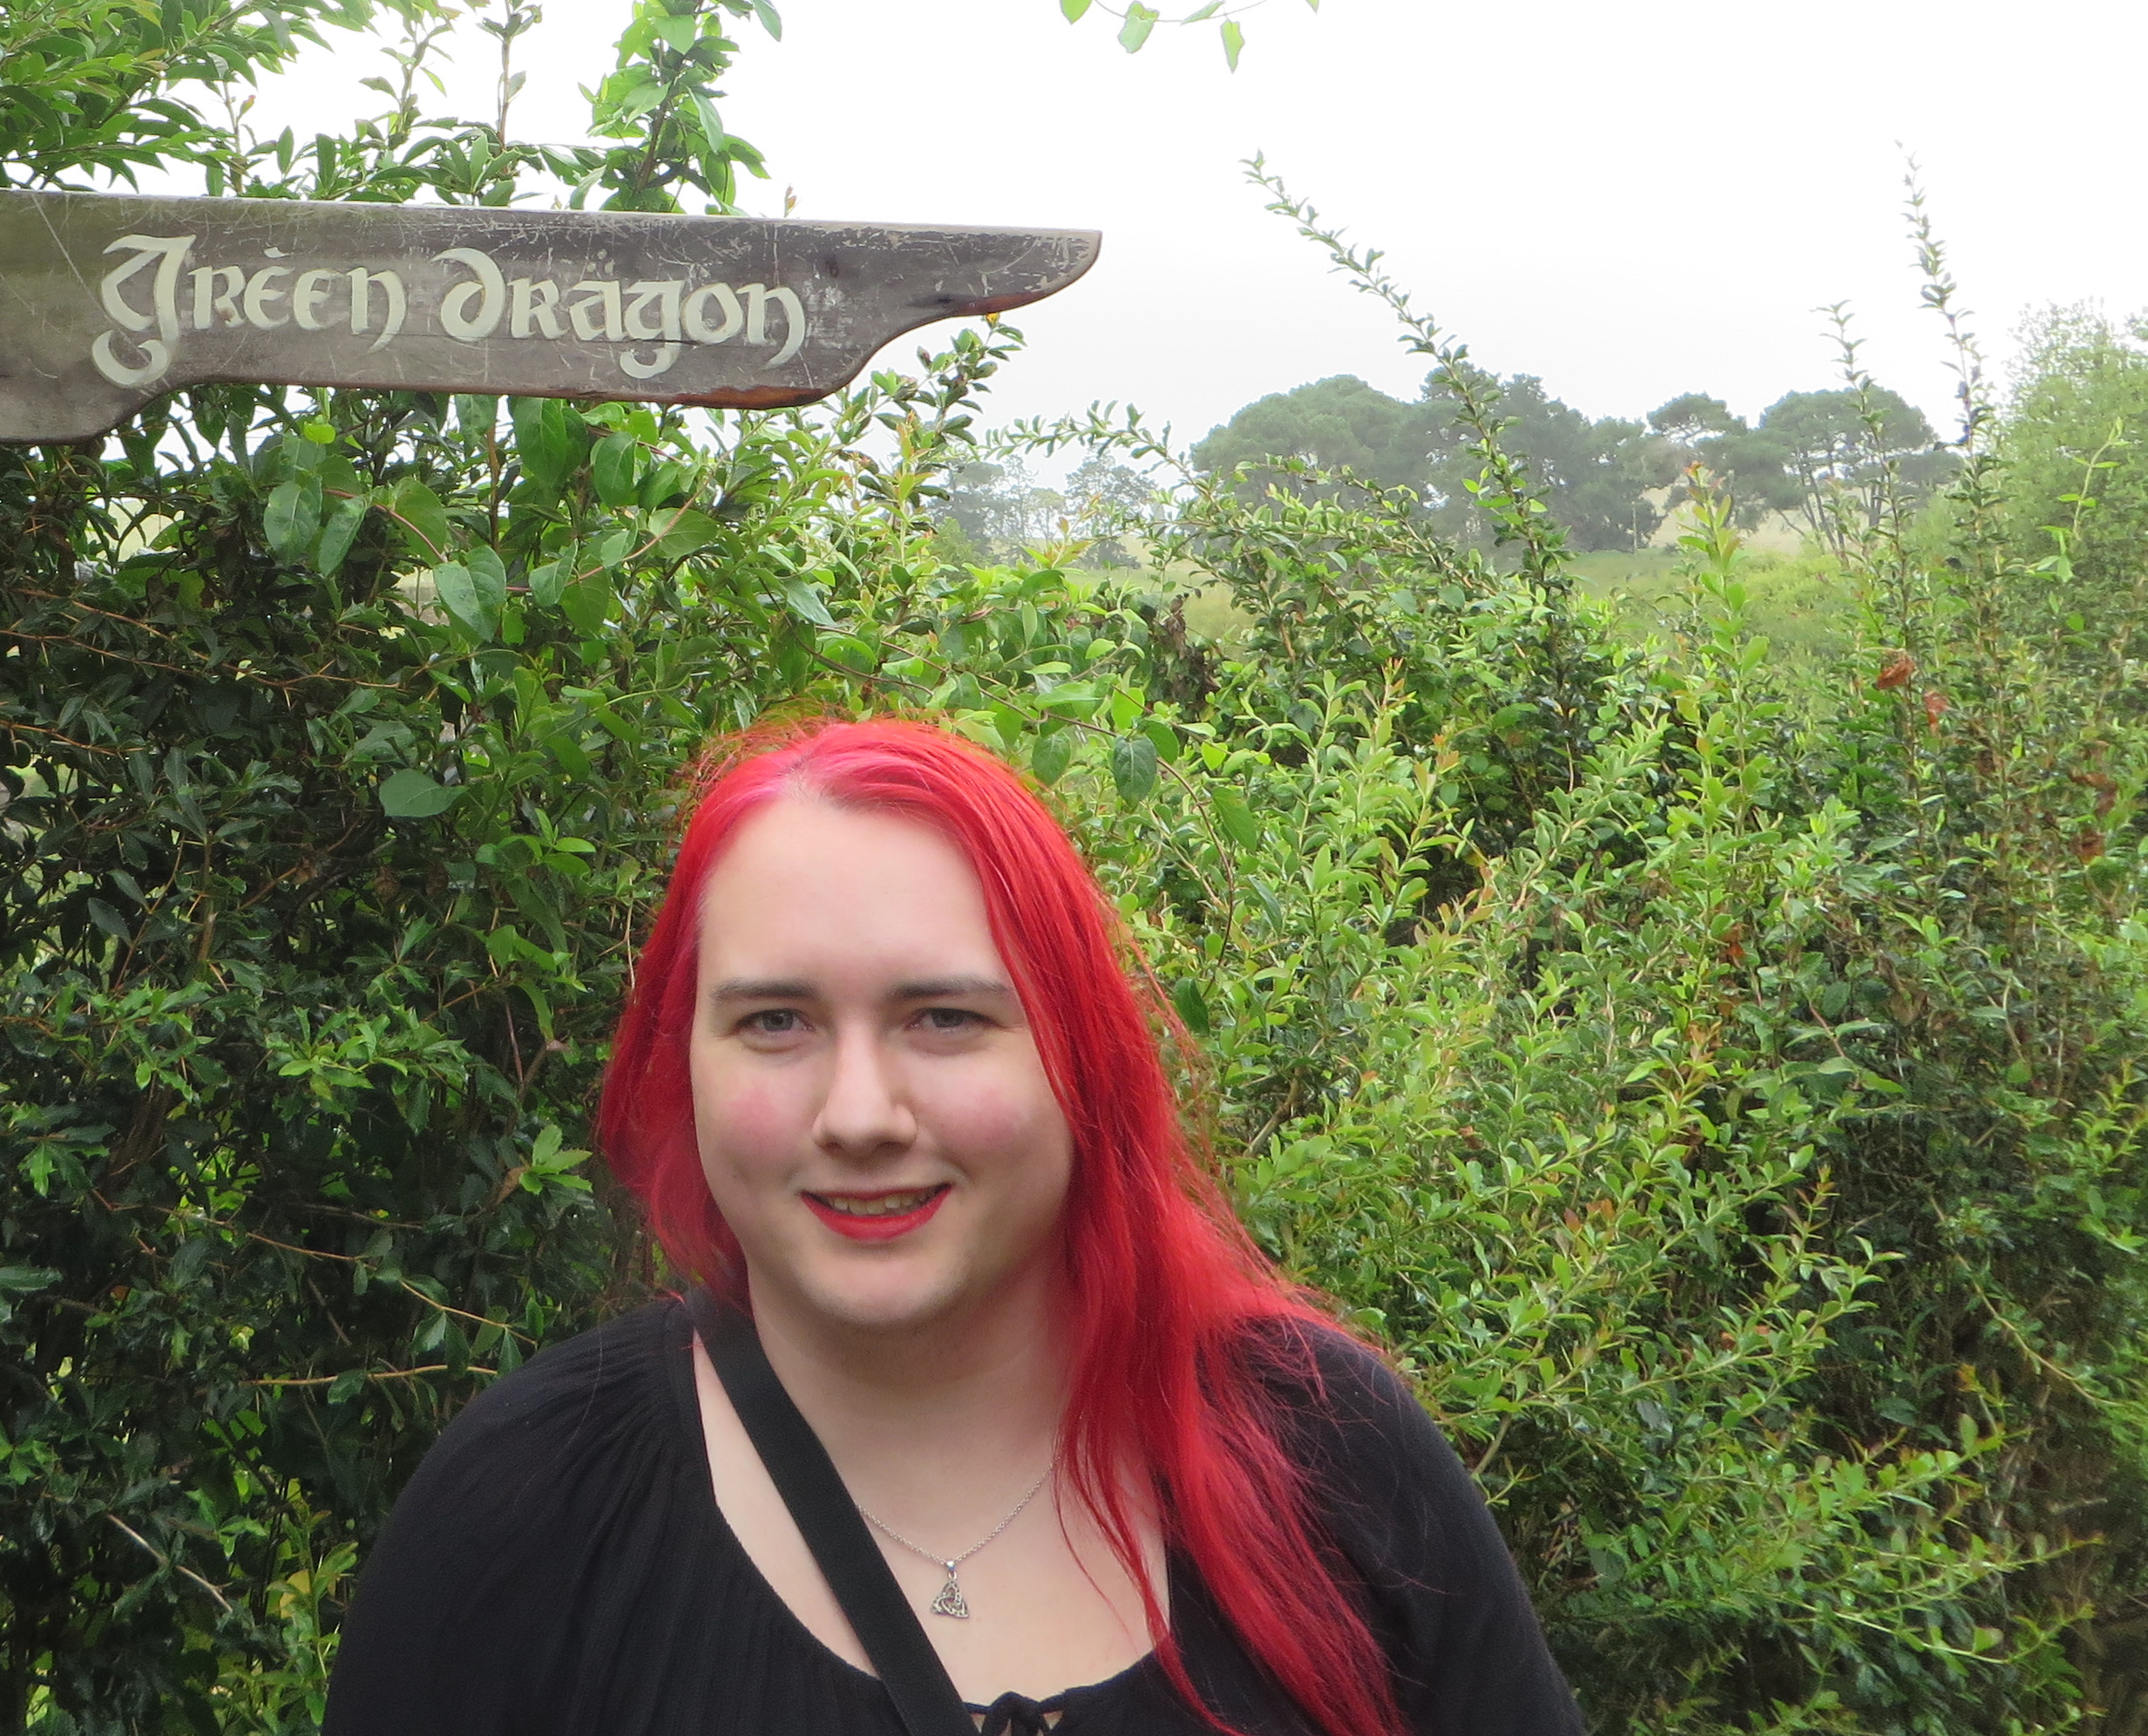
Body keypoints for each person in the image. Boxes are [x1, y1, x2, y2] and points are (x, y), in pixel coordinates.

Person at [322, 716, 1584, 1736]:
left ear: (1079, 1057)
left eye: (944, 1019)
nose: (859, 1116)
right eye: (775, 1022)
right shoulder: (532, 1517)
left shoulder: (1328, 1458)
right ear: (683, 1060)